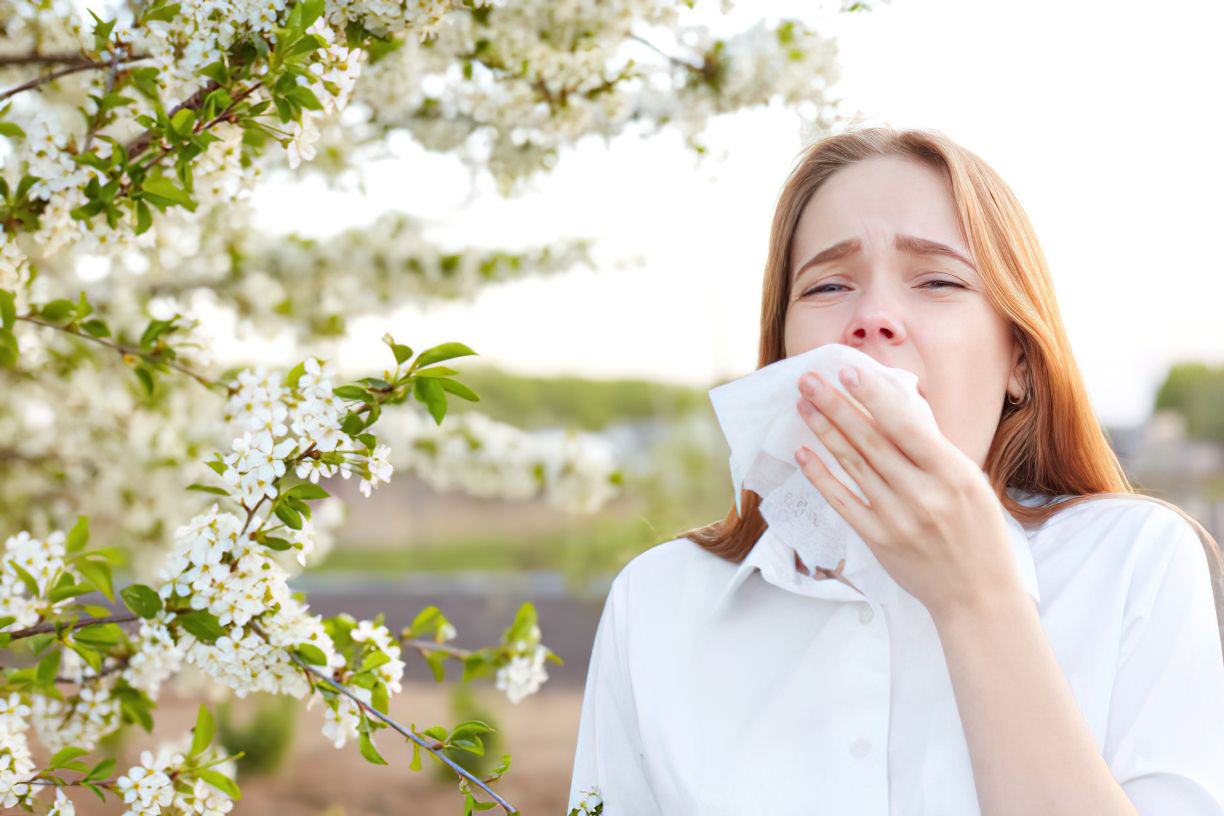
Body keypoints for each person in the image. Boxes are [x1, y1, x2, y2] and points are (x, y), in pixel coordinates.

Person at [565, 125, 1224, 815]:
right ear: (784, 351)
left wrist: (978, 601)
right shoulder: (657, 602)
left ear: (1020, 364)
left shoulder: (1133, 562)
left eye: (938, 280)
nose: (873, 318)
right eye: (827, 285)